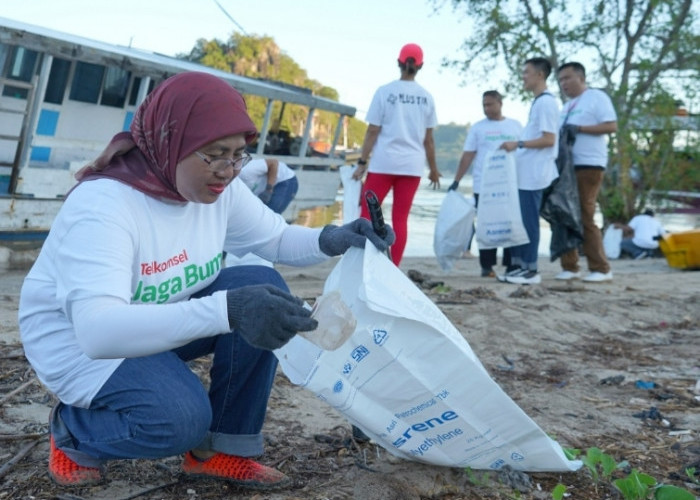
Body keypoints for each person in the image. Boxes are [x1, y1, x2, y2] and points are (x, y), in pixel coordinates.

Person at [17, 72, 394, 490]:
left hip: (154, 317)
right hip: (81, 345)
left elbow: (277, 238)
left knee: (259, 279)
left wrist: (335, 238)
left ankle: (219, 449)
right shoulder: (104, 207)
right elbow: (98, 332)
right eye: (214, 155)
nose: (228, 171)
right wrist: (227, 310)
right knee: (180, 419)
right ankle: (74, 430)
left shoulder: (217, 188)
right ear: (168, 142)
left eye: (238, 155)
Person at [352, 42, 441, 267]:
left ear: (399, 62)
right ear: (421, 66)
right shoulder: (427, 97)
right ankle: (393, 268)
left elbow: (373, 130)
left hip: (383, 163)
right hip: (412, 166)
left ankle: (363, 261)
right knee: (400, 218)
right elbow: (428, 140)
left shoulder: (385, 91)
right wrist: (434, 170)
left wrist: (362, 161)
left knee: (367, 212)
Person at [554, 61, 618, 282]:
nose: (563, 83)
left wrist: (580, 129)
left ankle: (601, 268)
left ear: (581, 78)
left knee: (585, 214)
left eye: (567, 78)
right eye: (561, 79)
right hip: (566, 167)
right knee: (564, 213)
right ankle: (570, 266)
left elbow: (611, 126)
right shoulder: (567, 106)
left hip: (589, 164)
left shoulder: (596, 98)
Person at [448, 90, 522, 277]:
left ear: (500, 103)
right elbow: (468, 155)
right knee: (486, 225)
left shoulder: (515, 126)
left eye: (490, 104)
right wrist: (456, 180)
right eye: (484, 105)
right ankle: (487, 266)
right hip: (484, 186)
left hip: (509, 186)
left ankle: (510, 264)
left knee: (509, 223)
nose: (487, 108)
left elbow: (523, 154)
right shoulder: (478, 128)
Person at [500, 57, 560, 284]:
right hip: (526, 173)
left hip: (535, 175)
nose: (523, 76)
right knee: (522, 220)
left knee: (529, 221)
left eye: (526, 72)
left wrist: (519, 144)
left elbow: (548, 139)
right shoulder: (538, 102)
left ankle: (531, 269)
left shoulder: (546, 103)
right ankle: (520, 265)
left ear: (540, 75)